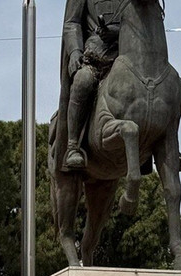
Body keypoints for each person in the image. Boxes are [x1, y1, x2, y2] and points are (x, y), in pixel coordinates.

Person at [58, 0, 130, 171]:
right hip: (96, 55)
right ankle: (73, 146)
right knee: (82, 81)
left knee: (175, 86)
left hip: (130, 53)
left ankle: (167, 144)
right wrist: (75, 51)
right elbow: (72, 22)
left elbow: (145, 18)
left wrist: (118, 31)